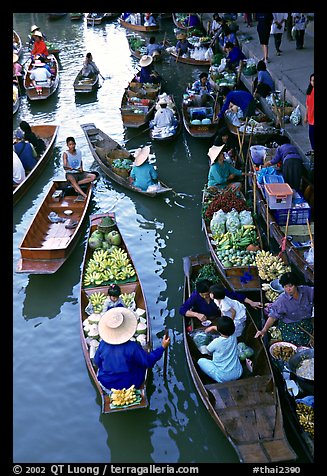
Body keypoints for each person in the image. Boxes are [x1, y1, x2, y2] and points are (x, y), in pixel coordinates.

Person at [94, 307, 170, 391]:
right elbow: (149, 362)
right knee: (142, 363)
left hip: (106, 382)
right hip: (129, 384)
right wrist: (162, 347)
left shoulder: (102, 344)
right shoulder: (133, 347)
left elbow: (97, 362)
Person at [254, 272, 313, 347]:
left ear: (296, 285)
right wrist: (264, 330)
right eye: (285, 286)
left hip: (306, 323)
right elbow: (273, 316)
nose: (288, 289)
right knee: (293, 346)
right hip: (290, 326)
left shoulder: (307, 291)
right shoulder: (281, 300)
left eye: (291, 286)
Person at [197, 316, 243, 383]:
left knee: (200, 361)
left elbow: (208, 351)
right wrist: (213, 327)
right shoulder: (234, 336)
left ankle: (217, 379)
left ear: (219, 330)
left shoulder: (216, 342)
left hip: (223, 377)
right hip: (238, 372)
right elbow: (224, 330)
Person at [62, 136, 97, 201]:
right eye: (70, 145)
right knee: (72, 179)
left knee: (93, 176)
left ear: (75, 144)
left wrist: (81, 168)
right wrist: (68, 167)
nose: (72, 146)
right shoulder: (65, 154)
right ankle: (84, 195)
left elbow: (80, 161)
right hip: (70, 174)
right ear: (67, 145)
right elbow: (65, 166)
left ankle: (75, 185)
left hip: (79, 172)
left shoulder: (79, 152)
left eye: (73, 144)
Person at [304, 73, 314, 155]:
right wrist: (306, 116)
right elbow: (307, 105)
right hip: (311, 117)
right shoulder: (309, 92)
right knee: (311, 135)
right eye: (312, 81)